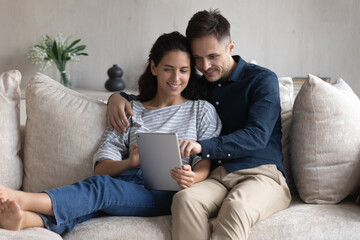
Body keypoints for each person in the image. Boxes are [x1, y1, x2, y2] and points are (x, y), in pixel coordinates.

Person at [0, 31, 221, 234]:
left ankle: (23, 199)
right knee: (92, 201)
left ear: (191, 72)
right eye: (167, 69)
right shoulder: (130, 110)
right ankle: (26, 221)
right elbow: (102, 169)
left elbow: (205, 163)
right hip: (126, 182)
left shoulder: (201, 110)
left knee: (101, 190)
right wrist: (130, 162)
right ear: (154, 68)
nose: (175, 78)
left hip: (169, 190)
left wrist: (192, 178)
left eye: (183, 70)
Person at [106, 9, 291, 240]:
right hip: (219, 176)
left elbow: (257, 134)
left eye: (213, 56)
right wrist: (118, 97)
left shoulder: (262, 80)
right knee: (184, 199)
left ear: (230, 47)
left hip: (262, 175)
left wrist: (202, 146)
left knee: (236, 207)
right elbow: (159, 94)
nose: (205, 65)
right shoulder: (201, 86)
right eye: (197, 58)